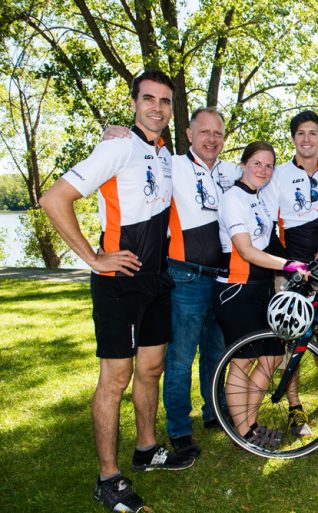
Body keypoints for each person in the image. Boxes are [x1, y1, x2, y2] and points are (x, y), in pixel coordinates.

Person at [40, 70, 194, 513]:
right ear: (133, 103)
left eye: (165, 101)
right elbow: (55, 199)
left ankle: (146, 449)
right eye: (148, 99)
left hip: (155, 280)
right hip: (118, 284)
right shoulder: (119, 146)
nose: (157, 108)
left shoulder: (163, 153)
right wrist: (94, 257)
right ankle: (108, 478)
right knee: (115, 380)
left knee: (151, 368)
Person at [102, 108, 241, 458]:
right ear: (190, 134)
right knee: (179, 358)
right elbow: (134, 159)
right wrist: (112, 131)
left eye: (218, 133)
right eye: (204, 132)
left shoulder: (230, 172)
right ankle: (179, 428)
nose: (211, 139)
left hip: (223, 279)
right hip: (185, 276)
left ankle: (215, 413)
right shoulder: (171, 165)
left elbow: (268, 171)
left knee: (216, 352)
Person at [213, 141, 308, 442]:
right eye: (257, 163)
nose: (263, 170)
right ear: (243, 164)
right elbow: (246, 250)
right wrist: (289, 265)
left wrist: (304, 263)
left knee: (271, 356)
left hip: (262, 288)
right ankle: (243, 432)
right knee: (242, 362)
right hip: (236, 289)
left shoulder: (259, 199)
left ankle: (250, 425)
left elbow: (270, 244)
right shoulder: (232, 198)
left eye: (269, 165)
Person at [260, 110, 318, 417]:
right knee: (289, 337)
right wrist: (285, 264)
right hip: (290, 270)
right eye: (301, 134)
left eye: (313, 133)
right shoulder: (278, 175)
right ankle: (294, 405)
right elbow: (268, 226)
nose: (307, 139)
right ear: (293, 138)